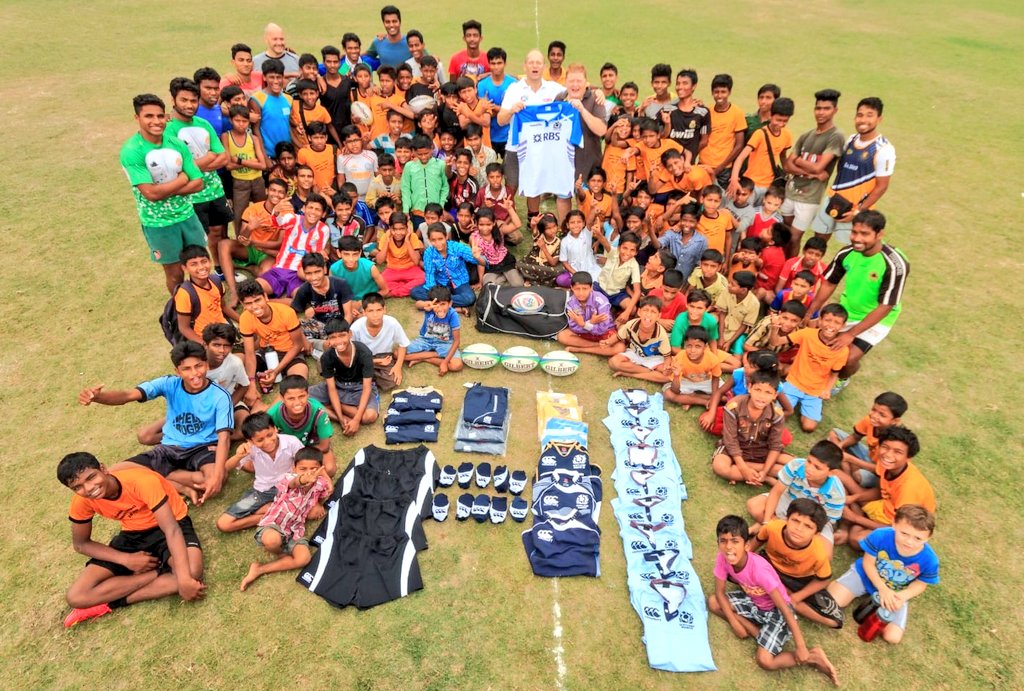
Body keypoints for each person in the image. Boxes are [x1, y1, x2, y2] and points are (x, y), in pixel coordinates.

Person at [57, 452, 205, 628]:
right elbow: (81, 544)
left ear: (103, 469)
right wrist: (126, 559)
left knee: (191, 573)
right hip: (133, 535)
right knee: (76, 597)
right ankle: (158, 572)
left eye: (91, 477)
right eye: (78, 487)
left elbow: (171, 529)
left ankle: (108, 603)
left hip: (171, 524)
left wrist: (184, 580)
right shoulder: (82, 502)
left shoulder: (141, 481)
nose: (88, 488)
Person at [77, 341, 233, 504]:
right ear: (177, 372)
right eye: (186, 369)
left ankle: (160, 474)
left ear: (206, 365)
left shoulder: (220, 396)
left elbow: (224, 438)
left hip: (203, 448)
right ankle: (177, 484)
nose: (194, 373)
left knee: (214, 480)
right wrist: (98, 397)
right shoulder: (169, 383)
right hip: (169, 448)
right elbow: (128, 395)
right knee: (112, 474)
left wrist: (218, 476)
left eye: (198, 366)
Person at [709, 515, 839, 684]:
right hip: (754, 601)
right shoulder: (722, 558)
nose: (729, 547)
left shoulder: (760, 571)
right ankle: (753, 629)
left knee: (765, 661)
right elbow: (719, 593)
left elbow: (785, 608)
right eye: (723, 541)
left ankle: (813, 657)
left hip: (777, 611)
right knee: (713, 602)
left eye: (735, 541)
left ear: (747, 545)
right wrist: (734, 622)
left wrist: (800, 646)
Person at [804, 210, 909, 389]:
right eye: (854, 232)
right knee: (823, 344)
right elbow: (830, 283)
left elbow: (886, 305)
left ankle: (842, 379)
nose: (857, 238)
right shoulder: (847, 253)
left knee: (848, 358)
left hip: (878, 317)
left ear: (879, 234)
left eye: (865, 234)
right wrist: (811, 311)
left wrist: (850, 334)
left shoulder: (894, 264)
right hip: (848, 310)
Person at [120, 93, 206, 294]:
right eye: (149, 116)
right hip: (159, 223)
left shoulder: (175, 143)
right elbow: (151, 193)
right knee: (175, 273)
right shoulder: (132, 151)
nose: (156, 121)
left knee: (200, 267)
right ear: (137, 118)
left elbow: (199, 183)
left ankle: (204, 303)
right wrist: (183, 179)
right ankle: (182, 310)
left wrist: (167, 189)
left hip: (187, 215)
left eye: (160, 116)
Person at [827, 504, 939, 644]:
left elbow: (921, 584)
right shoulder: (881, 535)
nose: (909, 542)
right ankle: (845, 586)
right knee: (833, 600)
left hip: (895, 591)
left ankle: (879, 602)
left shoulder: (930, 560)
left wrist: (902, 596)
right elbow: (868, 563)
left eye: (918, 538)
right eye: (904, 533)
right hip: (865, 575)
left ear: (928, 537)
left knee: (892, 638)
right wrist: (882, 588)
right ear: (894, 524)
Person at [240, 447, 333, 591]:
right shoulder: (288, 479)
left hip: (295, 530)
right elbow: (295, 482)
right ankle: (280, 553)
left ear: (320, 469)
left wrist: (320, 503)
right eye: (302, 469)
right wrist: (303, 479)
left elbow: (323, 494)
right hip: (274, 524)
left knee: (304, 559)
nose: (308, 472)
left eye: (313, 469)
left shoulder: (320, 484)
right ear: (294, 468)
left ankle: (260, 569)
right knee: (272, 541)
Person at [749, 499, 844, 629]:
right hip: (769, 566)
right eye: (795, 521)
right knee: (736, 570)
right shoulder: (772, 527)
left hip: (799, 579)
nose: (799, 529)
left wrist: (797, 597)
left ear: (816, 533)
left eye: (808, 526)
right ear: (787, 519)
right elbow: (752, 547)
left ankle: (779, 594)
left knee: (834, 620)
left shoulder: (819, 553)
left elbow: (823, 580)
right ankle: (777, 593)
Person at [165, 78, 232, 264]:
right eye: (184, 100)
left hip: (215, 190)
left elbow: (223, 157)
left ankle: (219, 268)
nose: (189, 105)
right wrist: (209, 158)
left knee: (219, 232)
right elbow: (177, 170)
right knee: (198, 239)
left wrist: (195, 164)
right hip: (192, 195)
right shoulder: (168, 131)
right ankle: (202, 273)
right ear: (173, 100)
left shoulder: (203, 123)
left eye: (193, 100)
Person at [812, 97, 895, 245]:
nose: (863, 120)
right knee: (818, 241)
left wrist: (859, 211)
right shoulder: (851, 140)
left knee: (847, 248)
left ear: (879, 119)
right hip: (832, 200)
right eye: (860, 115)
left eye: (869, 115)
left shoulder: (883, 149)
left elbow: (882, 186)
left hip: (854, 210)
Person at [839, 425, 936, 550]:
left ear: (908, 458)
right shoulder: (888, 464)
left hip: (905, 525)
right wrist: (854, 498)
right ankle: (859, 514)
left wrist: (855, 518)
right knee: (838, 475)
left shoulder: (909, 489)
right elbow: (881, 492)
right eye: (885, 447)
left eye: (898, 452)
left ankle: (858, 517)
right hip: (886, 505)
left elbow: (897, 527)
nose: (888, 454)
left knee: (856, 539)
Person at [496, 50, 567, 215]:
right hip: (516, 147)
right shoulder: (514, 89)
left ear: (544, 67)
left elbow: (575, 91)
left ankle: (532, 218)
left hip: (542, 148)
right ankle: (503, 217)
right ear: (525, 66)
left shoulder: (553, 89)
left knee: (536, 184)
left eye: (538, 63)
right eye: (531, 62)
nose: (535, 66)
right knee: (511, 185)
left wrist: (597, 92)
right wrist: (512, 110)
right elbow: (500, 120)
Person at [748, 441, 846, 552]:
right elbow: (776, 492)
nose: (809, 468)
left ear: (832, 473)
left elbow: (823, 522)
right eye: (809, 461)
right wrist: (766, 522)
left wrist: (803, 529)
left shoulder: (836, 493)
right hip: (789, 500)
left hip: (814, 519)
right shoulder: (796, 465)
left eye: (817, 467)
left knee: (825, 553)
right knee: (754, 506)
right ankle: (771, 526)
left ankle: (772, 527)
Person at [216, 413, 304, 533]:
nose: (267, 442)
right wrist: (238, 456)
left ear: (275, 429)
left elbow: (306, 463)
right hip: (262, 492)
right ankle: (273, 514)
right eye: (260, 440)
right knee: (224, 524)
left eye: (270, 435)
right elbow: (226, 467)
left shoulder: (291, 442)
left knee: (310, 511)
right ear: (250, 441)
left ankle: (273, 511)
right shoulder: (250, 449)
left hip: (289, 488)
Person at [782, 90, 845, 256]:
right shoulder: (806, 135)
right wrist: (813, 171)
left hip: (810, 197)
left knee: (795, 238)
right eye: (818, 108)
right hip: (791, 191)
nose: (821, 113)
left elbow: (819, 167)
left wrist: (800, 161)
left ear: (835, 110)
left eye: (826, 108)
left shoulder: (835, 136)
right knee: (785, 235)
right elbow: (788, 165)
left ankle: (790, 270)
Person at [710, 370, 789, 485]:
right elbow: (730, 440)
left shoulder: (777, 414)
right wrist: (744, 469)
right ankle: (764, 477)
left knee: (793, 464)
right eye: (758, 390)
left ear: (775, 395)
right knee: (720, 466)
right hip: (735, 449)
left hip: (761, 450)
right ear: (750, 388)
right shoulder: (734, 406)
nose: (762, 396)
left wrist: (765, 471)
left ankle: (753, 473)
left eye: (768, 392)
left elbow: (775, 445)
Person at [780, 303, 850, 432]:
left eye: (837, 322)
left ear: (843, 326)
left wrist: (827, 390)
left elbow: (834, 374)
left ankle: (807, 407)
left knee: (809, 427)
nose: (831, 325)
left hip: (815, 390)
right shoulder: (807, 334)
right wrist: (774, 328)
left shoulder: (842, 350)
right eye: (827, 320)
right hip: (794, 382)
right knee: (778, 416)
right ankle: (787, 395)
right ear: (820, 320)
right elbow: (777, 341)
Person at [218, 177, 289, 301]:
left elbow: (279, 243)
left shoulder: (287, 213)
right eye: (273, 190)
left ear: (285, 195)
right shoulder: (253, 209)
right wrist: (250, 228)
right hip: (250, 248)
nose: (276, 194)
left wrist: (257, 244)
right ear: (266, 191)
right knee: (223, 244)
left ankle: (247, 268)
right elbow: (241, 239)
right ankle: (234, 291)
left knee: (265, 276)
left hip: (268, 253)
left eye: (280, 192)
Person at [308, 319, 380, 434]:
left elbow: (367, 387)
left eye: (342, 335)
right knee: (303, 398)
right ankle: (336, 415)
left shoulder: (364, 352)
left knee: (369, 417)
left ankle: (331, 406)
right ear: (328, 340)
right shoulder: (326, 357)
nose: (338, 341)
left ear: (350, 334)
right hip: (338, 385)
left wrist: (356, 420)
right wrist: (341, 419)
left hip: (360, 387)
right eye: (333, 337)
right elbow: (331, 388)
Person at [237, 279, 309, 392]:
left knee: (298, 382)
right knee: (238, 365)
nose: (255, 306)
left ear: (265, 297)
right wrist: (251, 384)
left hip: (290, 353)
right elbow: (250, 353)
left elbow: (297, 346)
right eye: (248, 303)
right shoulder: (245, 318)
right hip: (266, 352)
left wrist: (276, 371)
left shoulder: (286, 312)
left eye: (257, 300)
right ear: (242, 304)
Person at [828, 391, 908, 489]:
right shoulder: (869, 421)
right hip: (869, 455)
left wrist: (850, 459)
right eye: (873, 410)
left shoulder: (894, 440)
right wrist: (839, 447)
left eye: (882, 415)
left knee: (858, 475)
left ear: (895, 421)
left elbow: (881, 469)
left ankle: (848, 475)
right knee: (834, 434)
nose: (874, 416)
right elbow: (855, 437)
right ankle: (847, 471)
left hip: (880, 469)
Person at [258, 194, 330, 300]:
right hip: (279, 270)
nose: (313, 212)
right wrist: (276, 211)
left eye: (318, 210)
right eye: (310, 207)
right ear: (304, 208)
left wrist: (323, 254)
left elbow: (317, 254)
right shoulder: (293, 218)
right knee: (255, 289)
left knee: (300, 299)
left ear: (323, 214)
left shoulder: (323, 230)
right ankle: (279, 299)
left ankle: (272, 302)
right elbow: (278, 223)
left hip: (300, 274)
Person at [267, 375, 337, 475]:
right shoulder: (272, 415)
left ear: (308, 395)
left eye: (302, 396)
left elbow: (324, 446)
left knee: (329, 469)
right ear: (282, 398)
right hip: (286, 450)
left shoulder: (319, 412)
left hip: (312, 446)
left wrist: (300, 458)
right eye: (291, 398)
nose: (297, 403)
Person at [729, 97, 794, 204]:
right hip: (751, 185)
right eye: (778, 120)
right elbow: (741, 157)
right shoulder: (760, 134)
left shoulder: (787, 135)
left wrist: (790, 172)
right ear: (771, 115)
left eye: (785, 121)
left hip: (769, 187)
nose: (781, 124)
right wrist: (734, 179)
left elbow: (783, 157)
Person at [172, 245, 236, 345]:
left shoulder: (215, 280)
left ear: (210, 261)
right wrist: (205, 345)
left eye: (204, 261)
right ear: (185, 268)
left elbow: (223, 306)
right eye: (194, 264)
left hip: (225, 329)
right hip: (204, 338)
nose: (201, 267)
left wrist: (243, 321)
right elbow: (184, 328)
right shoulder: (185, 294)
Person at [290, 253, 355, 352]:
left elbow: (348, 315)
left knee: (360, 322)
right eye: (309, 273)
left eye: (317, 272)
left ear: (325, 269)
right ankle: (320, 344)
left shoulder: (340, 284)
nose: (314, 277)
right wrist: (302, 338)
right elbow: (291, 315)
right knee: (296, 327)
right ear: (304, 272)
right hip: (320, 326)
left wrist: (337, 335)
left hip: (341, 324)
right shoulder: (304, 290)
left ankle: (323, 345)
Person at [410, 224, 482, 309]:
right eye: (433, 240)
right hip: (440, 284)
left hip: (460, 282)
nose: (438, 243)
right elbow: (430, 275)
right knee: (415, 292)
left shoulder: (456, 247)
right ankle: (447, 302)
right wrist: (435, 292)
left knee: (470, 298)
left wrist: (477, 257)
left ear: (446, 236)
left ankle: (437, 302)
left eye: (440, 239)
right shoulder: (429, 253)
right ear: (429, 240)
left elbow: (477, 260)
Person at [222, 106, 270, 234]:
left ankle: (263, 236)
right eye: (238, 120)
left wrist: (239, 161)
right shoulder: (226, 137)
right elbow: (228, 165)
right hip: (239, 182)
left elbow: (262, 165)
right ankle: (241, 241)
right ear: (231, 120)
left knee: (263, 210)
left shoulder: (253, 138)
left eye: (245, 121)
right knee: (239, 214)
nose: (241, 124)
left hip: (257, 180)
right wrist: (252, 162)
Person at [605, 296, 672, 383]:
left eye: (653, 312)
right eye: (645, 310)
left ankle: (630, 374)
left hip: (653, 358)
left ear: (659, 316)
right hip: (634, 353)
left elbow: (667, 357)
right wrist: (608, 342)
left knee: (668, 377)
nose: (648, 314)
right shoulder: (631, 324)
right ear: (639, 312)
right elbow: (618, 336)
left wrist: (666, 367)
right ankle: (648, 372)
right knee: (613, 362)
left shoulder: (661, 334)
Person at [351, 292, 410, 392]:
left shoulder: (392, 323)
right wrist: (374, 361)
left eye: (379, 310)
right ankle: (367, 377)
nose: (375, 315)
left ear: (384, 310)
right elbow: (351, 353)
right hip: (362, 357)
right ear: (364, 312)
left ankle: (366, 378)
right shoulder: (356, 327)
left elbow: (403, 345)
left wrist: (398, 366)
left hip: (384, 356)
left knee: (392, 381)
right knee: (347, 370)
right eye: (370, 311)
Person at [699, 74, 747, 188]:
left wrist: (720, 167)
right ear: (712, 92)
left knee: (719, 201)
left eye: (723, 92)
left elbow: (739, 145)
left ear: (729, 92)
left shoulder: (737, 113)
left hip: (724, 169)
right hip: (703, 165)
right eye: (716, 92)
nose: (719, 95)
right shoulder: (706, 111)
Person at [405, 285, 465, 375]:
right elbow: (418, 303)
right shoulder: (430, 308)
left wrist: (445, 363)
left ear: (450, 303)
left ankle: (424, 357)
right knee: (398, 354)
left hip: (445, 343)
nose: (440, 308)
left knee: (456, 366)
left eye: (443, 304)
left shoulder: (453, 315)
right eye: (436, 304)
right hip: (425, 340)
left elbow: (456, 341)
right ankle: (436, 354)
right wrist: (426, 305)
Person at [563, 65, 608, 184]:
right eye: (571, 81)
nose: (575, 85)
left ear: (586, 83)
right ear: (565, 82)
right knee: (563, 199)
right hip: (564, 163)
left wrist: (582, 110)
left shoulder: (595, 99)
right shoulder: (560, 98)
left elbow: (602, 130)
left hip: (589, 164)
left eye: (579, 81)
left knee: (585, 200)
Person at [557, 271, 617, 354]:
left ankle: (580, 349)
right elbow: (574, 327)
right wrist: (591, 322)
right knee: (562, 336)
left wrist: (584, 324)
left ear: (591, 287)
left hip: (604, 333)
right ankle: (598, 346)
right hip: (584, 333)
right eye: (577, 289)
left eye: (585, 289)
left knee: (619, 347)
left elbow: (602, 329)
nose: (581, 293)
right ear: (572, 288)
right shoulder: (571, 303)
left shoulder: (601, 301)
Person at [664, 325, 723, 408]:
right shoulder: (680, 357)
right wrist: (676, 376)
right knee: (668, 394)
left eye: (698, 346)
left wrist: (714, 396)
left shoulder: (713, 359)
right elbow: (675, 391)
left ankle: (688, 398)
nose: (693, 351)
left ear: (705, 347)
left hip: (707, 381)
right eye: (689, 346)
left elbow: (716, 378)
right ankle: (703, 402)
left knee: (724, 395)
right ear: (684, 345)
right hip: (686, 381)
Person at [249, 59, 293, 160]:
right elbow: (256, 130)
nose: (276, 81)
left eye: (278, 77)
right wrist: (264, 157)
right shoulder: (257, 99)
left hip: (288, 155)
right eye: (271, 77)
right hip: (269, 155)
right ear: (264, 77)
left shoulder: (289, 99)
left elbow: (291, 126)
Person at [665, 69, 709, 167]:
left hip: (689, 166)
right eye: (678, 83)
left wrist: (690, 156)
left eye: (685, 83)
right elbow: (660, 137)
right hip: (670, 166)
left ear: (694, 86)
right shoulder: (667, 109)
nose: (680, 87)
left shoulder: (703, 112)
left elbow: (704, 141)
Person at [402, 135, 449, 227]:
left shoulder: (441, 165)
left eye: (426, 153)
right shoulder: (409, 166)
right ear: (414, 152)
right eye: (420, 154)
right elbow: (405, 188)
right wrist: (406, 210)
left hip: (436, 213)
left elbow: (445, 187)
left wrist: (441, 205)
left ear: (432, 148)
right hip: (417, 213)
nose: (423, 157)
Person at [477, 48, 515, 157]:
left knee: (510, 171)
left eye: (499, 63)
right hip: (489, 136)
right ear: (488, 64)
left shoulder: (513, 84)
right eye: (493, 63)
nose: (496, 67)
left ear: (505, 63)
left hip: (509, 135)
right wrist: (504, 109)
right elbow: (483, 111)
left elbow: (514, 111)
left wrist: (494, 108)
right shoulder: (482, 85)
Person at [472, 208, 523, 286]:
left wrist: (510, 208)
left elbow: (517, 225)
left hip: (506, 261)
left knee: (518, 284)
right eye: (481, 225)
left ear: (494, 223)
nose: (485, 228)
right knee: (488, 285)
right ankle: (504, 277)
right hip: (492, 267)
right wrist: (480, 282)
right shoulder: (475, 238)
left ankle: (507, 275)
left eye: (488, 224)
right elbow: (481, 263)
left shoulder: (500, 230)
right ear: (476, 223)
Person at [596, 232, 641, 317]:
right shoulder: (613, 252)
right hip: (600, 288)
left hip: (616, 293)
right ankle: (609, 308)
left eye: (632, 250)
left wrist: (627, 312)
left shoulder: (634, 265)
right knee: (587, 299)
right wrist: (598, 233)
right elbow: (605, 242)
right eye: (625, 248)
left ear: (636, 252)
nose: (627, 253)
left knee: (633, 310)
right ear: (619, 247)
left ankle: (615, 311)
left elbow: (637, 291)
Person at [556, 210, 604, 289]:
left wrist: (593, 209)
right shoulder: (565, 241)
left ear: (583, 223)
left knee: (599, 284)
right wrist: (575, 273)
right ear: (567, 225)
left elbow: (590, 221)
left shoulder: (586, 233)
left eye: (579, 222)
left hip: (591, 268)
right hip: (575, 271)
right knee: (560, 280)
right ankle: (581, 285)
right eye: (572, 222)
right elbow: (564, 261)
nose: (576, 225)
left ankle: (584, 286)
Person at [716, 271, 760, 354]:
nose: (728, 285)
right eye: (730, 282)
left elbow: (744, 326)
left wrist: (729, 342)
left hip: (738, 333)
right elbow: (722, 314)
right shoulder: (727, 291)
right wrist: (721, 337)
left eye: (732, 285)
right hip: (722, 327)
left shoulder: (754, 304)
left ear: (743, 290)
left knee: (737, 358)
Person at [319, 45, 355, 139]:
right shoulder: (319, 84)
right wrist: (318, 76)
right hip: (328, 132)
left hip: (348, 132)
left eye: (335, 62)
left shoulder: (348, 81)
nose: (332, 65)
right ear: (323, 63)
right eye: (329, 62)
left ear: (339, 62)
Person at [519, 212, 564, 287]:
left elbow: (553, 263)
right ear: (542, 230)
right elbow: (534, 231)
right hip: (534, 261)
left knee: (557, 271)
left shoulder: (560, 242)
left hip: (549, 265)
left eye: (554, 226)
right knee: (519, 264)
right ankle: (535, 279)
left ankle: (531, 279)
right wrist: (533, 225)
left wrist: (544, 248)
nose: (552, 230)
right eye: (548, 228)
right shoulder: (540, 236)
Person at [290, 80, 338, 150]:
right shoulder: (293, 105)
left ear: (317, 94)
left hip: (315, 149)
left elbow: (330, 127)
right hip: (298, 149)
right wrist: (295, 125)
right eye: (305, 94)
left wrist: (339, 144)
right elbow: (288, 122)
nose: (309, 97)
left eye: (312, 93)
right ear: (300, 95)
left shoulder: (321, 110)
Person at [697, 185, 737, 263]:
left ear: (720, 202)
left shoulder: (725, 216)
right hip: (699, 258)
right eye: (709, 200)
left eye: (716, 201)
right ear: (702, 199)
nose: (712, 204)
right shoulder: (696, 216)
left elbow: (728, 238)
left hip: (718, 258)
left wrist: (726, 260)